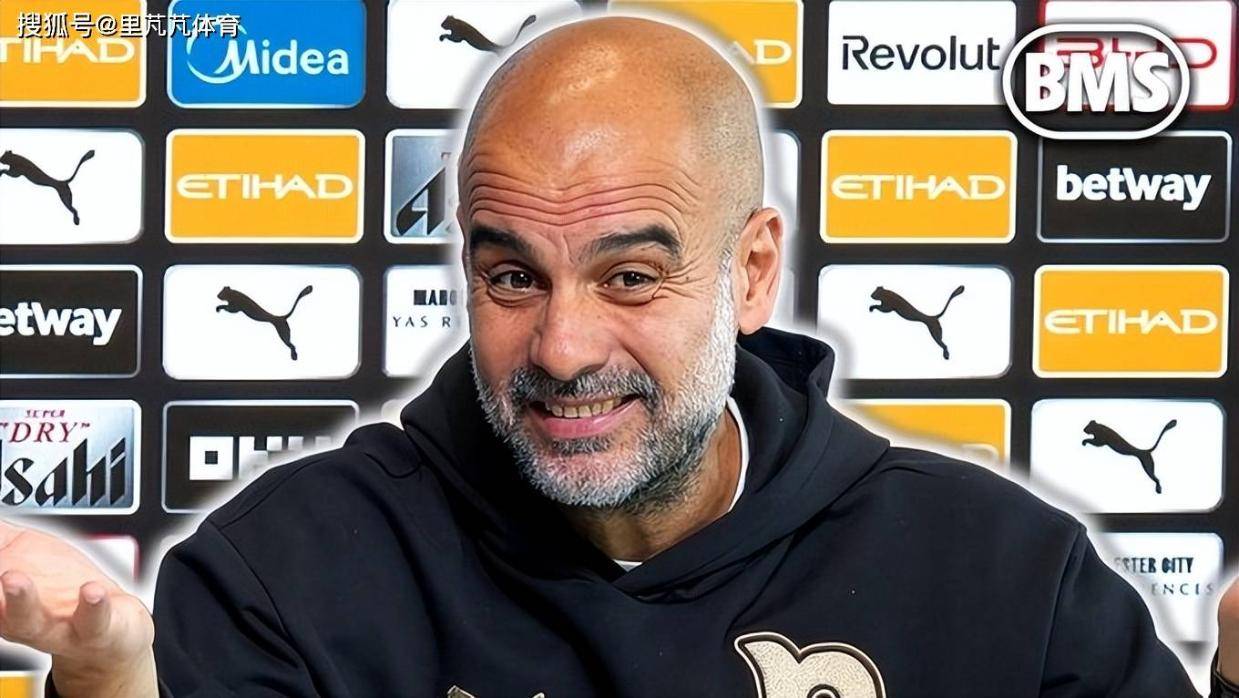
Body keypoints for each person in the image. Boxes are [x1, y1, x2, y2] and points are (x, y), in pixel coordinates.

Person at [2, 14, 1237, 698]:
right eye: (512, 277)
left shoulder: (1007, 578)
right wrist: (111, 690)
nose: (562, 345)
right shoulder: (286, 570)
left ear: (751, 271)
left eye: (631, 276)